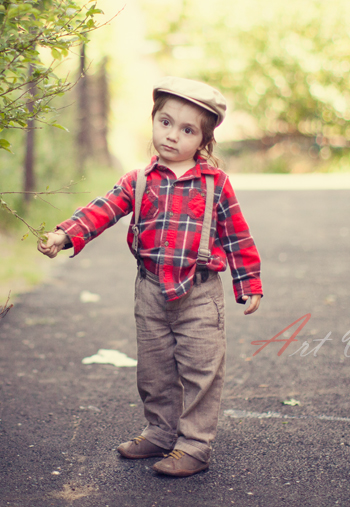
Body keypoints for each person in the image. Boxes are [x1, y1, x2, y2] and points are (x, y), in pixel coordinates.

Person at [38, 76, 263, 477]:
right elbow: (101, 210)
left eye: (187, 129)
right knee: (154, 369)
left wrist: (248, 284)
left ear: (204, 140)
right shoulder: (138, 181)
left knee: (201, 371)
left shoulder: (215, 184)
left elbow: (237, 235)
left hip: (199, 293)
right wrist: (64, 234)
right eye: (165, 122)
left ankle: (194, 445)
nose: (172, 136)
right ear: (154, 120)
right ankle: (161, 432)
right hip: (151, 291)